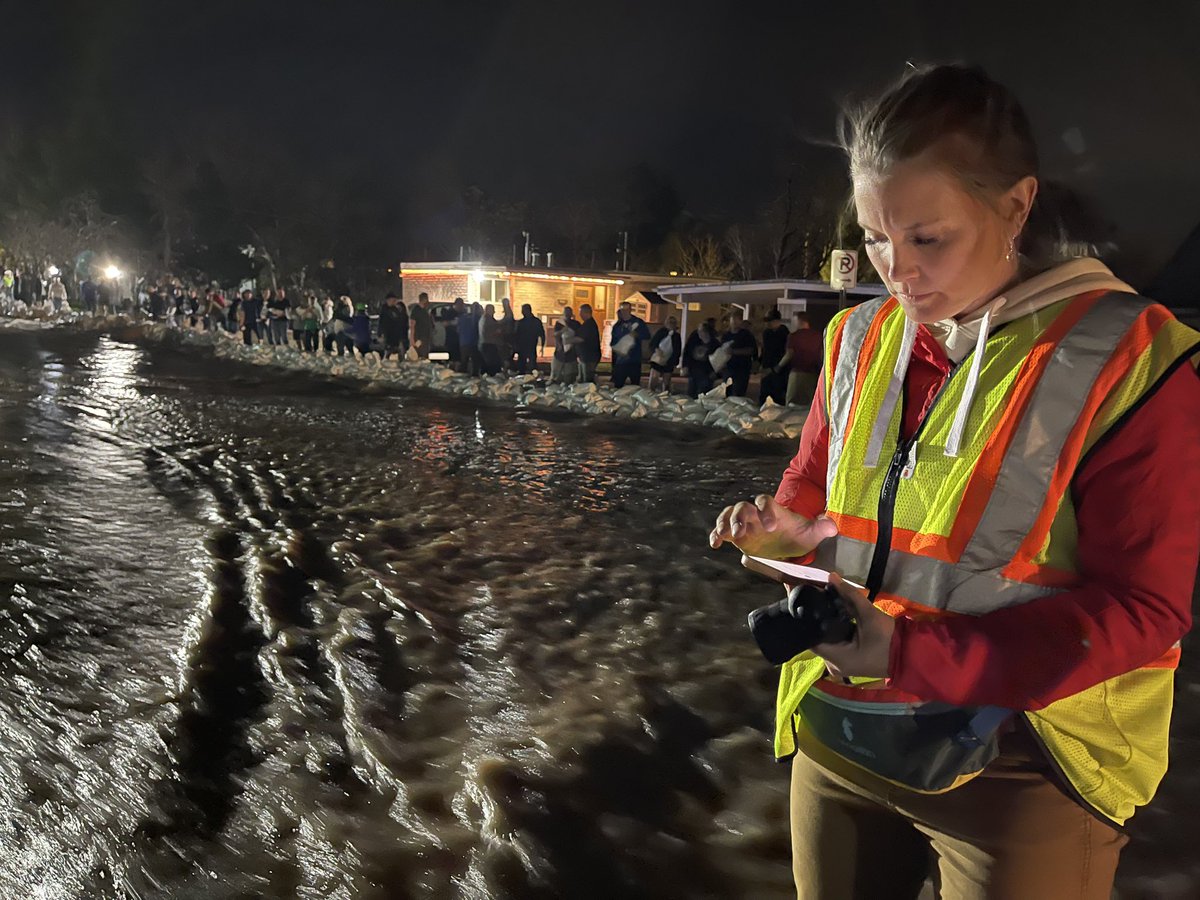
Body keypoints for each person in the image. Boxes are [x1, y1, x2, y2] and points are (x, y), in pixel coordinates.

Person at [708, 63, 1200, 900]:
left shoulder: (1134, 360)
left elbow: (1146, 610)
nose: (895, 272)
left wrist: (913, 651)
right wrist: (784, 531)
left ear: (1015, 205)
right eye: (873, 237)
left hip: (1022, 765)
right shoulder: (858, 339)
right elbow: (813, 487)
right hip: (839, 722)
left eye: (927, 238)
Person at [778, 312, 822, 406]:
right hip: (812, 374)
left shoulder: (794, 336)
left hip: (797, 373)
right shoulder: (818, 336)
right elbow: (821, 354)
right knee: (808, 404)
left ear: (799, 321)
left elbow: (789, 354)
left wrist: (778, 366)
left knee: (791, 402)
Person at [609, 300, 651, 388]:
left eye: (626, 309)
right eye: (622, 310)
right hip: (621, 361)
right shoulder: (617, 325)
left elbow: (647, 335)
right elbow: (613, 342)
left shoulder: (638, 322)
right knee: (618, 386)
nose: (624, 312)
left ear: (630, 310)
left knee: (634, 386)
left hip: (634, 360)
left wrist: (637, 334)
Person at [720, 312, 758, 397]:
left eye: (736, 320)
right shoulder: (726, 335)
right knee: (726, 392)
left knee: (738, 393)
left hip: (742, 369)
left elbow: (751, 350)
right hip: (728, 368)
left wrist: (734, 351)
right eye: (732, 320)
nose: (734, 323)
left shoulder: (746, 335)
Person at [757, 308, 789, 406]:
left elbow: (784, 353)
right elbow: (765, 350)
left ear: (777, 321)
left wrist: (774, 369)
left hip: (779, 371)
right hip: (767, 367)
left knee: (777, 398)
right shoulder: (767, 333)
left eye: (770, 321)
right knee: (764, 397)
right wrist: (761, 363)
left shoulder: (784, 333)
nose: (768, 324)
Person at [683, 320, 720, 398]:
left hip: (707, 374)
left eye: (701, 331)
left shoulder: (715, 345)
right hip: (694, 371)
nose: (699, 333)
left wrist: (715, 373)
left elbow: (719, 361)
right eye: (698, 331)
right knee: (691, 394)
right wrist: (685, 366)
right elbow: (687, 353)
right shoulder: (694, 340)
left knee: (703, 395)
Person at [647, 316, 682, 393]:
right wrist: (657, 351)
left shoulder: (676, 336)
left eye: (673, 323)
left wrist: (673, 361)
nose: (671, 324)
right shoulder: (661, 332)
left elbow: (677, 350)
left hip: (669, 361)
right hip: (658, 359)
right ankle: (651, 393)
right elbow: (653, 344)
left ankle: (665, 396)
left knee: (666, 381)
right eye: (670, 322)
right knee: (654, 378)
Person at [550, 312, 581, 384]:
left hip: (571, 352)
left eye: (569, 313)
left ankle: (568, 382)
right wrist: (559, 343)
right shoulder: (559, 324)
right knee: (556, 371)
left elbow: (579, 336)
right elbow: (556, 335)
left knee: (569, 373)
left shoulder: (575, 324)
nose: (567, 315)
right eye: (566, 313)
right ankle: (556, 381)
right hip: (560, 352)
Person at [514, 303, 545, 374]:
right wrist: (542, 345)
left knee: (526, 366)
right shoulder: (536, 321)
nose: (522, 312)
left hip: (526, 346)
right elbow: (542, 334)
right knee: (528, 366)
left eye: (523, 310)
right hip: (527, 346)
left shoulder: (522, 322)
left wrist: (542, 346)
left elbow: (516, 335)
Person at [576, 303, 602, 383]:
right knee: (583, 378)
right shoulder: (587, 324)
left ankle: (590, 394)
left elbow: (581, 339)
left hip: (589, 357)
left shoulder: (589, 325)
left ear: (586, 312)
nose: (580, 315)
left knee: (587, 379)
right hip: (585, 356)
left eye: (581, 313)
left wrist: (569, 340)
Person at [378, 292, 408, 359]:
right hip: (389, 337)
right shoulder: (385, 310)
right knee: (389, 353)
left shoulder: (396, 310)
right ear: (388, 300)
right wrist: (381, 334)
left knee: (397, 355)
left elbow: (401, 322)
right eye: (393, 300)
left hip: (397, 337)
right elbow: (382, 323)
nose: (394, 302)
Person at [455, 297, 480, 374]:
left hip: (463, 343)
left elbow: (458, 330)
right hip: (473, 343)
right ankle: (475, 377)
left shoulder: (462, 317)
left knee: (464, 362)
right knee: (475, 362)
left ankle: (463, 377)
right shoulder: (477, 318)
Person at [479, 303, 503, 375]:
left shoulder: (483, 319)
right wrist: (498, 331)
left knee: (487, 364)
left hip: (485, 343)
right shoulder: (488, 320)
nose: (494, 312)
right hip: (490, 344)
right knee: (493, 364)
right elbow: (490, 331)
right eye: (492, 310)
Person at [410, 291, 434, 359]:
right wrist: (412, 339)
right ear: (424, 300)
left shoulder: (425, 311)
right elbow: (412, 325)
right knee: (419, 356)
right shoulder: (416, 310)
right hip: (419, 338)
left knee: (425, 356)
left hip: (425, 338)